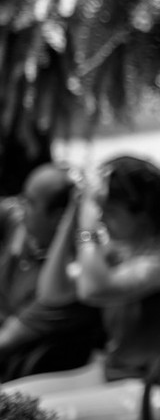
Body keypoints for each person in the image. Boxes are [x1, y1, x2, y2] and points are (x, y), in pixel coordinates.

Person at [2, 156, 160, 420]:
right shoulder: (116, 253)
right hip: (112, 376)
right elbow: (53, 292)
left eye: (109, 209)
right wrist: (72, 217)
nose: (102, 216)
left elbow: (94, 289)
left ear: (141, 214)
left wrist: (87, 230)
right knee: (6, 405)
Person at [0, 164, 104, 382]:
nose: (20, 207)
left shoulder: (70, 277)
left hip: (22, 377)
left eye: (29, 203)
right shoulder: (20, 225)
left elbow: (6, 340)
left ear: (58, 217)